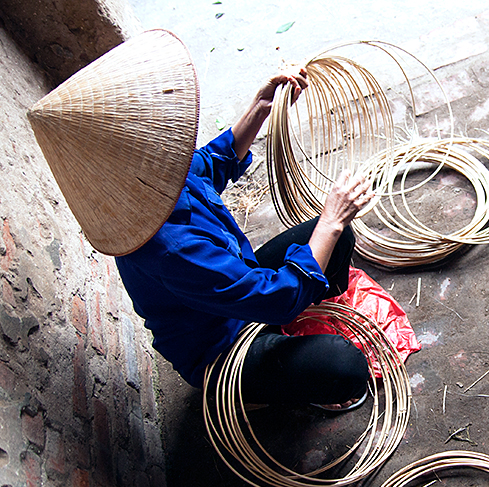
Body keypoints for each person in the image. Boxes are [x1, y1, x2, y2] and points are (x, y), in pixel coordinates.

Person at [29, 30, 374, 412]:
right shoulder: (170, 249)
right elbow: (276, 299)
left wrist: (261, 107)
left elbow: (212, 162)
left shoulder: (155, 175)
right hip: (222, 350)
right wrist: (330, 220)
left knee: (336, 238)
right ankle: (262, 390)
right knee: (343, 367)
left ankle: (296, 336)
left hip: (240, 288)